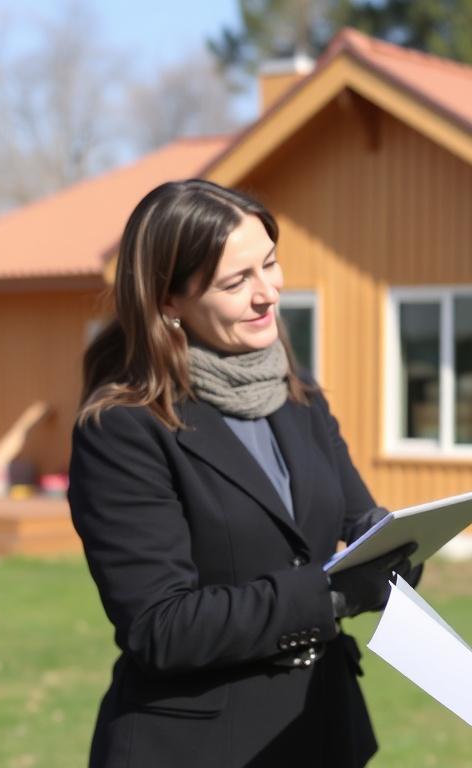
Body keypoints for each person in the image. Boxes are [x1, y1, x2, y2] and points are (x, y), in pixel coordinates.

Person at [69, 178, 418, 768]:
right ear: (167, 302)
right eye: (236, 282)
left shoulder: (298, 394)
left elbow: (358, 520)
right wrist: (330, 596)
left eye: (270, 264)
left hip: (321, 732)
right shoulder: (122, 428)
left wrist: (394, 548)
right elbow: (160, 625)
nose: (268, 293)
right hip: (197, 749)